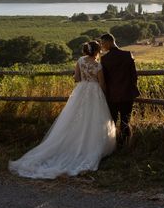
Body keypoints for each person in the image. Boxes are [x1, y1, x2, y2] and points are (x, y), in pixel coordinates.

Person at [8, 40, 116, 179]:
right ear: (97, 51)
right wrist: (104, 95)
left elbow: (76, 78)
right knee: (94, 119)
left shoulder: (80, 61)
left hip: (81, 90)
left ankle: (72, 145)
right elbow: (102, 84)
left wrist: (84, 79)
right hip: (94, 92)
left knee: (73, 118)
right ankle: (91, 147)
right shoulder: (98, 66)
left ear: (86, 51)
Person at [99, 33, 140, 144]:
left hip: (112, 95)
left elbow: (104, 79)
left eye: (103, 43)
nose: (102, 46)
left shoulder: (105, 59)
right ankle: (126, 144)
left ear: (109, 42)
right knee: (125, 120)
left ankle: (112, 144)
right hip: (127, 93)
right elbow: (134, 76)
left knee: (112, 121)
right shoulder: (127, 55)